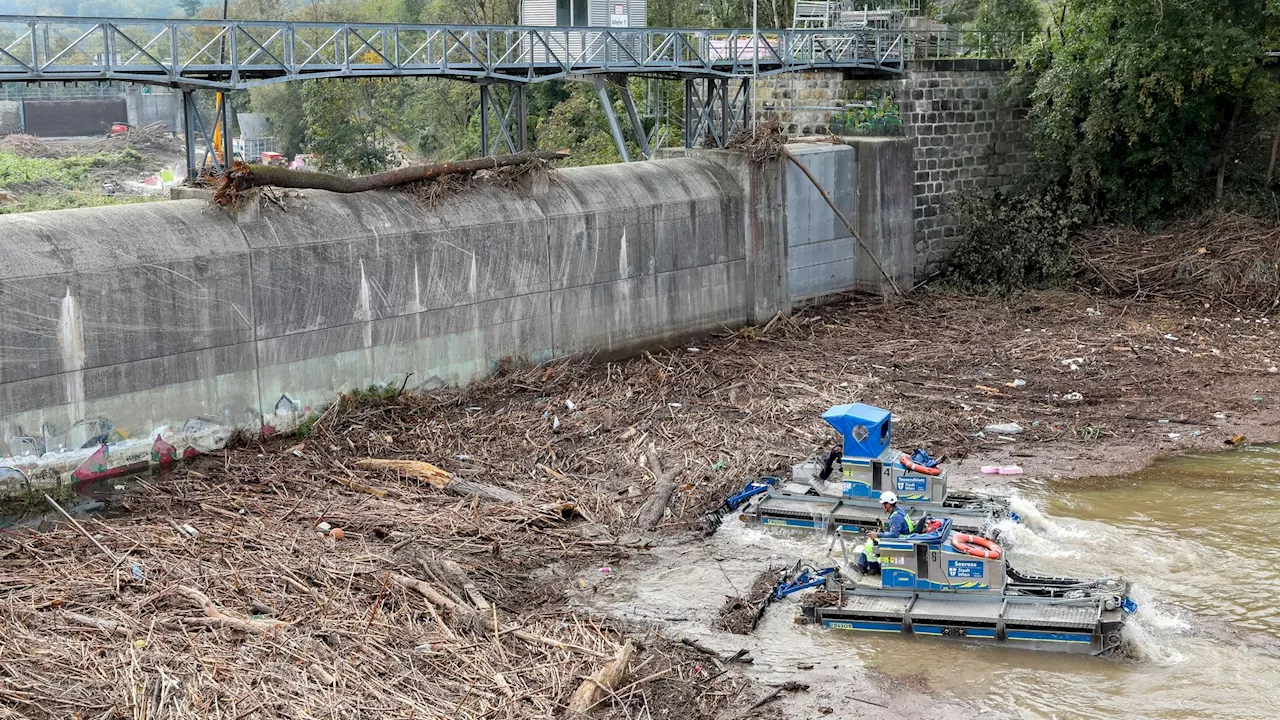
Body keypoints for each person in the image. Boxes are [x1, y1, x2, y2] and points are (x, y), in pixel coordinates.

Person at [854, 491, 914, 575]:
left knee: (870, 546)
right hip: (905, 539)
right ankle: (872, 567)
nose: (882, 506)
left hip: (901, 541)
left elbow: (894, 535)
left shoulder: (895, 517)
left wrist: (877, 534)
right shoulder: (899, 511)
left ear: (888, 504)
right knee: (871, 542)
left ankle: (865, 568)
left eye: (883, 504)